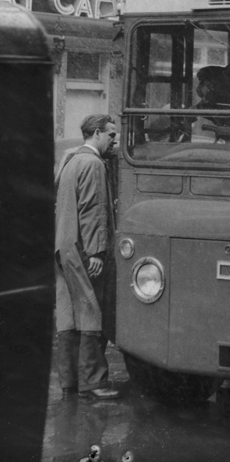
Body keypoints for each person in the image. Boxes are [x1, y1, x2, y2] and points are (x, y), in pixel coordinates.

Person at [54, 114, 122, 400]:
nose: (114, 141)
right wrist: (97, 252)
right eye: (111, 136)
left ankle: (71, 382)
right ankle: (94, 382)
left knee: (69, 315)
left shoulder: (69, 160)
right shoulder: (93, 163)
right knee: (93, 313)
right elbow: (93, 210)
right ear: (96, 133)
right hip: (85, 249)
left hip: (64, 246)